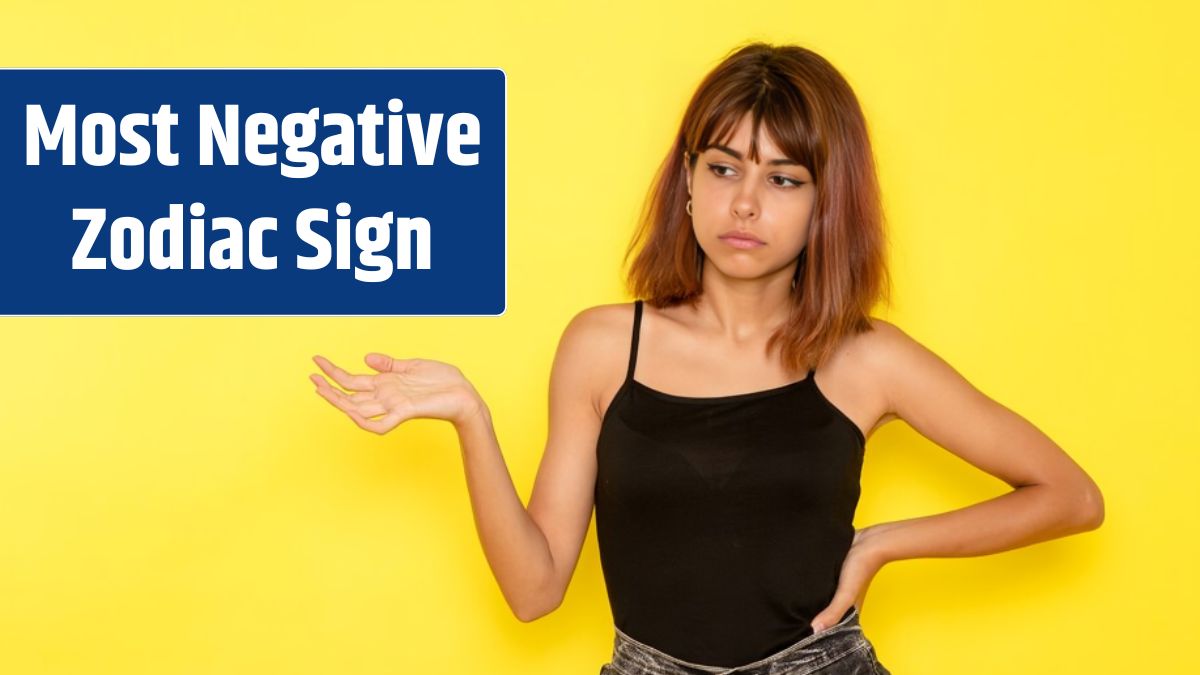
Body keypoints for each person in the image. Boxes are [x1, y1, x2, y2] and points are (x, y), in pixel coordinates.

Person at [309, 41, 1105, 675]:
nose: (746, 203)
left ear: (827, 203)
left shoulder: (867, 359)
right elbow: (534, 590)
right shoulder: (600, 346)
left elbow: (1070, 496)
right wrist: (471, 420)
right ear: (686, 184)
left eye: (783, 178)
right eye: (723, 168)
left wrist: (879, 544)